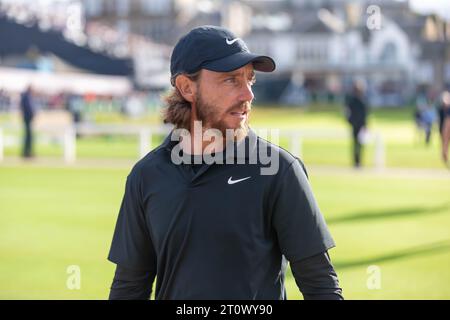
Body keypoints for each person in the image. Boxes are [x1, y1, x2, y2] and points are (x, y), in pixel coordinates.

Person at [107, 26, 343, 300]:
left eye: (249, 80)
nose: (248, 95)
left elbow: (321, 288)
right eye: (231, 80)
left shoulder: (279, 170)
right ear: (186, 88)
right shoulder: (146, 176)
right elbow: (129, 288)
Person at [344, 81, 368, 168]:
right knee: (356, 145)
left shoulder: (361, 100)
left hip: (360, 126)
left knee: (360, 145)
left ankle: (358, 162)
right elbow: (348, 113)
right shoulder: (353, 100)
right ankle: (356, 162)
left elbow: (365, 114)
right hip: (356, 125)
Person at [19, 85, 35, 158]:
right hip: (27, 119)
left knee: (29, 136)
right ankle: (26, 153)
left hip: (28, 119)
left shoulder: (26, 96)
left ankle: (27, 152)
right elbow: (27, 108)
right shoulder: (26, 97)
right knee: (28, 136)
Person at [440, 91, 450, 164]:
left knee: (445, 142)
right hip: (444, 126)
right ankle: (444, 154)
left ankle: (444, 154)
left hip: (446, 126)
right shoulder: (441, 109)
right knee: (444, 142)